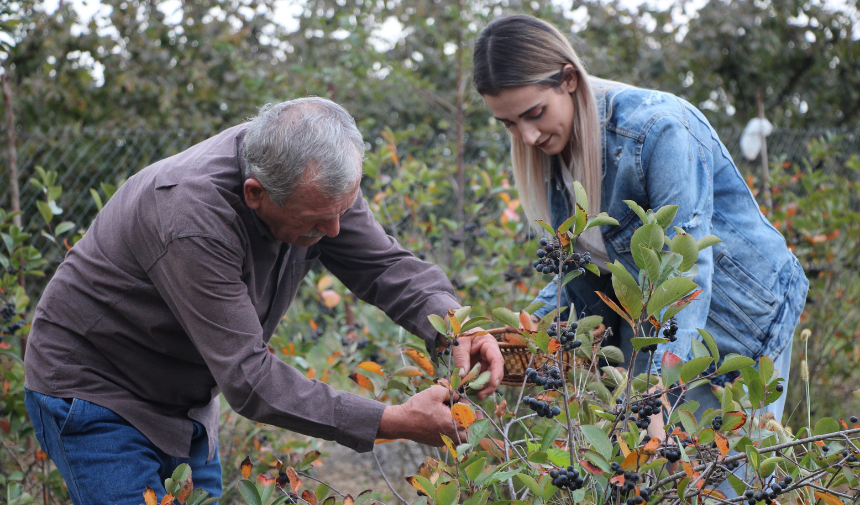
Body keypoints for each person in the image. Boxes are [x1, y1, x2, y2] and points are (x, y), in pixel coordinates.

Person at [23, 97, 504, 504]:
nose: (333, 233)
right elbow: (251, 380)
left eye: (343, 212)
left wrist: (457, 328)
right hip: (97, 392)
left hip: (185, 402)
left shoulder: (313, 181)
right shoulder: (190, 214)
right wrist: (392, 420)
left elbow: (383, 266)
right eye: (317, 221)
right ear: (255, 193)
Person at [472, 15, 807, 422]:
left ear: (569, 79)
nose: (527, 136)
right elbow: (582, 271)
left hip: (733, 318)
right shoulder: (551, 157)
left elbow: (684, 268)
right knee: (644, 470)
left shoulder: (656, 130)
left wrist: (658, 393)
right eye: (509, 124)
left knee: (724, 476)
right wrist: (522, 333)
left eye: (535, 113)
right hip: (648, 323)